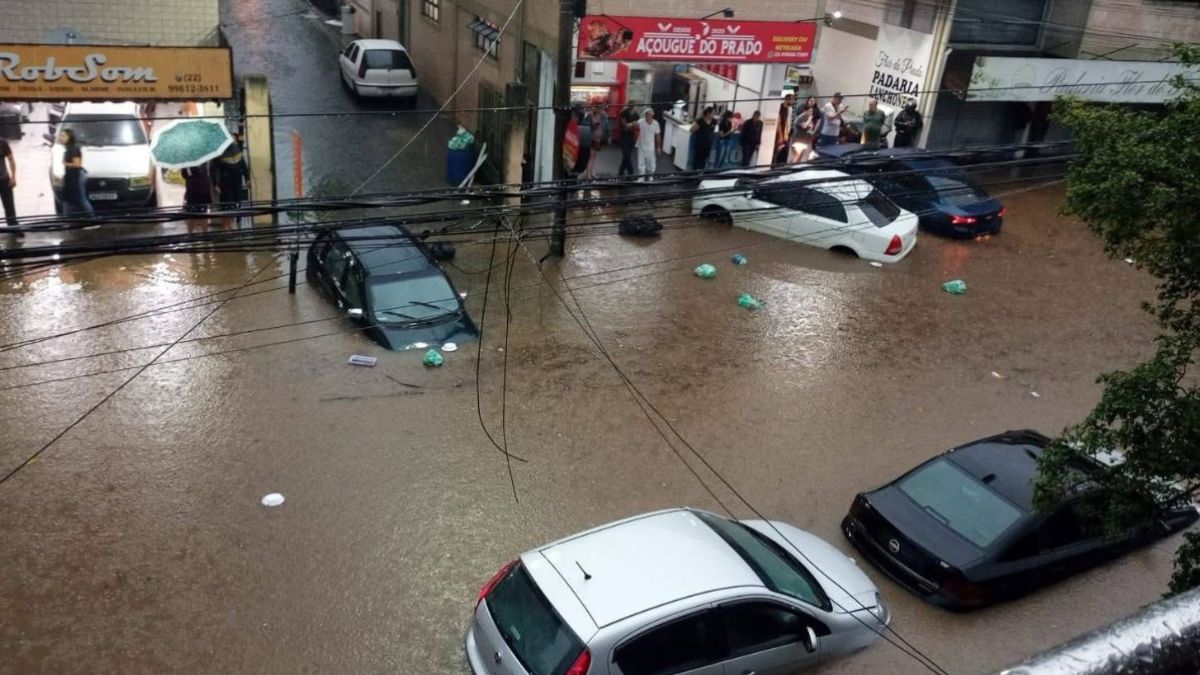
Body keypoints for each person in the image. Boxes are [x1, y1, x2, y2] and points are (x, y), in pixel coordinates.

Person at [58, 129, 93, 217]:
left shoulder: (73, 148)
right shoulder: (68, 148)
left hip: (77, 176)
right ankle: (68, 219)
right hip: (71, 176)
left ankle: (93, 219)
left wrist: (65, 163)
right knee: (68, 198)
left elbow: (77, 164)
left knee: (81, 199)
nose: (61, 138)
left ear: (69, 137)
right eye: (60, 135)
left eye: (63, 136)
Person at [635, 108, 660, 180]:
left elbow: (657, 135)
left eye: (649, 114)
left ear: (652, 115)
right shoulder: (641, 121)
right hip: (641, 145)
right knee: (641, 162)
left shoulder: (656, 124)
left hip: (651, 147)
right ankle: (641, 178)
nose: (647, 116)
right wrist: (634, 124)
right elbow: (635, 125)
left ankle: (650, 176)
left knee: (651, 162)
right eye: (646, 115)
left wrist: (658, 147)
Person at [689, 106, 716, 171]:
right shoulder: (700, 120)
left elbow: (712, 130)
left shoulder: (714, 121)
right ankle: (694, 171)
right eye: (713, 113)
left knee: (704, 159)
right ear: (708, 113)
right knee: (697, 158)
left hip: (708, 143)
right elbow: (692, 130)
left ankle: (701, 171)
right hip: (700, 143)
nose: (713, 115)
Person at [0, 136, 18, 236]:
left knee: (9, 206)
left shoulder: (2, 142)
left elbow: (11, 160)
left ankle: (14, 228)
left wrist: (13, 177)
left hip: (4, 180)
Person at [585, 106, 609, 179]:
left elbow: (606, 125)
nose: (599, 109)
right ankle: (588, 174)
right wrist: (593, 126)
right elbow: (585, 125)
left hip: (599, 139)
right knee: (590, 157)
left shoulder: (603, 115)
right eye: (597, 107)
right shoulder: (590, 115)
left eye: (600, 107)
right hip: (591, 138)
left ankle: (591, 172)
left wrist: (608, 136)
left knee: (594, 156)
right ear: (594, 108)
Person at [617, 101, 639, 177]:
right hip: (623, 136)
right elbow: (625, 126)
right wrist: (632, 124)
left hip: (631, 136)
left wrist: (630, 125)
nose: (634, 107)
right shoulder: (624, 113)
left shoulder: (636, 114)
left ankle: (621, 172)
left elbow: (636, 126)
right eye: (633, 105)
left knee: (627, 155)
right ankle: (631, 172)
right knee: (626, 154)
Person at [773, 92, 795, 164]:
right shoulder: (780, 107)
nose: (793, 101)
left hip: (786, 133)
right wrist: (780, 135)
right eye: (792, 100)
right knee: (776, 151)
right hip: (779, 133)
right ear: (787, 99)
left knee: (783, 152)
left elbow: (788, 123)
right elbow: (778, 122)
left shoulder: (790, 109)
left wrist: (787, 134)